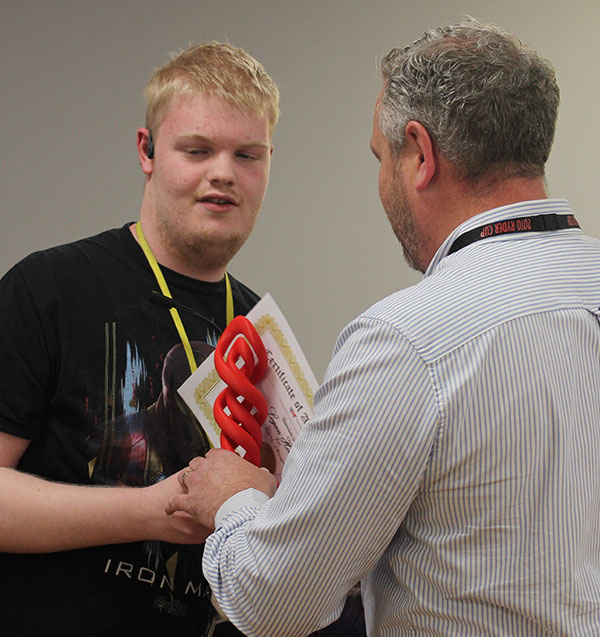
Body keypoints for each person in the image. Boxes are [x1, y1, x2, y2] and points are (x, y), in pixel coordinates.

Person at [166, 19, 600, 636]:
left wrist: (234, 500)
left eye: (382, 156)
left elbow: (274, 603)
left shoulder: (409, 340)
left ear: (420, 154)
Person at [0, 42, 279, 636]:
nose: (224, 173)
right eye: (197, 150)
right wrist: (150, 513)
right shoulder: (48, 287)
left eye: (247, 154)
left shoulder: (260, 328)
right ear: (147, 151)